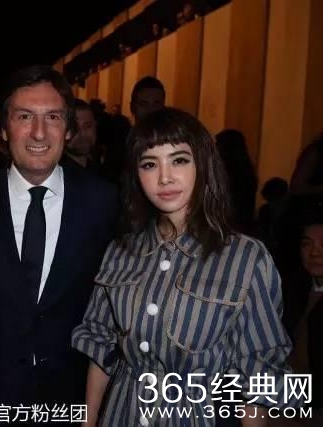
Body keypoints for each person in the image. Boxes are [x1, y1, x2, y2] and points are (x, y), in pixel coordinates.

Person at [72, 107, 301, 426]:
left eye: (179, 160)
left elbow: (259, 375)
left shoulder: (246, 258)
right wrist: (88, 420)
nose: (164, 177)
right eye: (149, 164)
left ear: (203, 164)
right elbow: (100, 345)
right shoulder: (121, 251)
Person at [0, 65, 118, 417]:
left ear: (68, 129)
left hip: (71, 401)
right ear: (2, 128)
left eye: (53, 117)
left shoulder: (105, 203)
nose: (39, 133)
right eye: (25, 116)